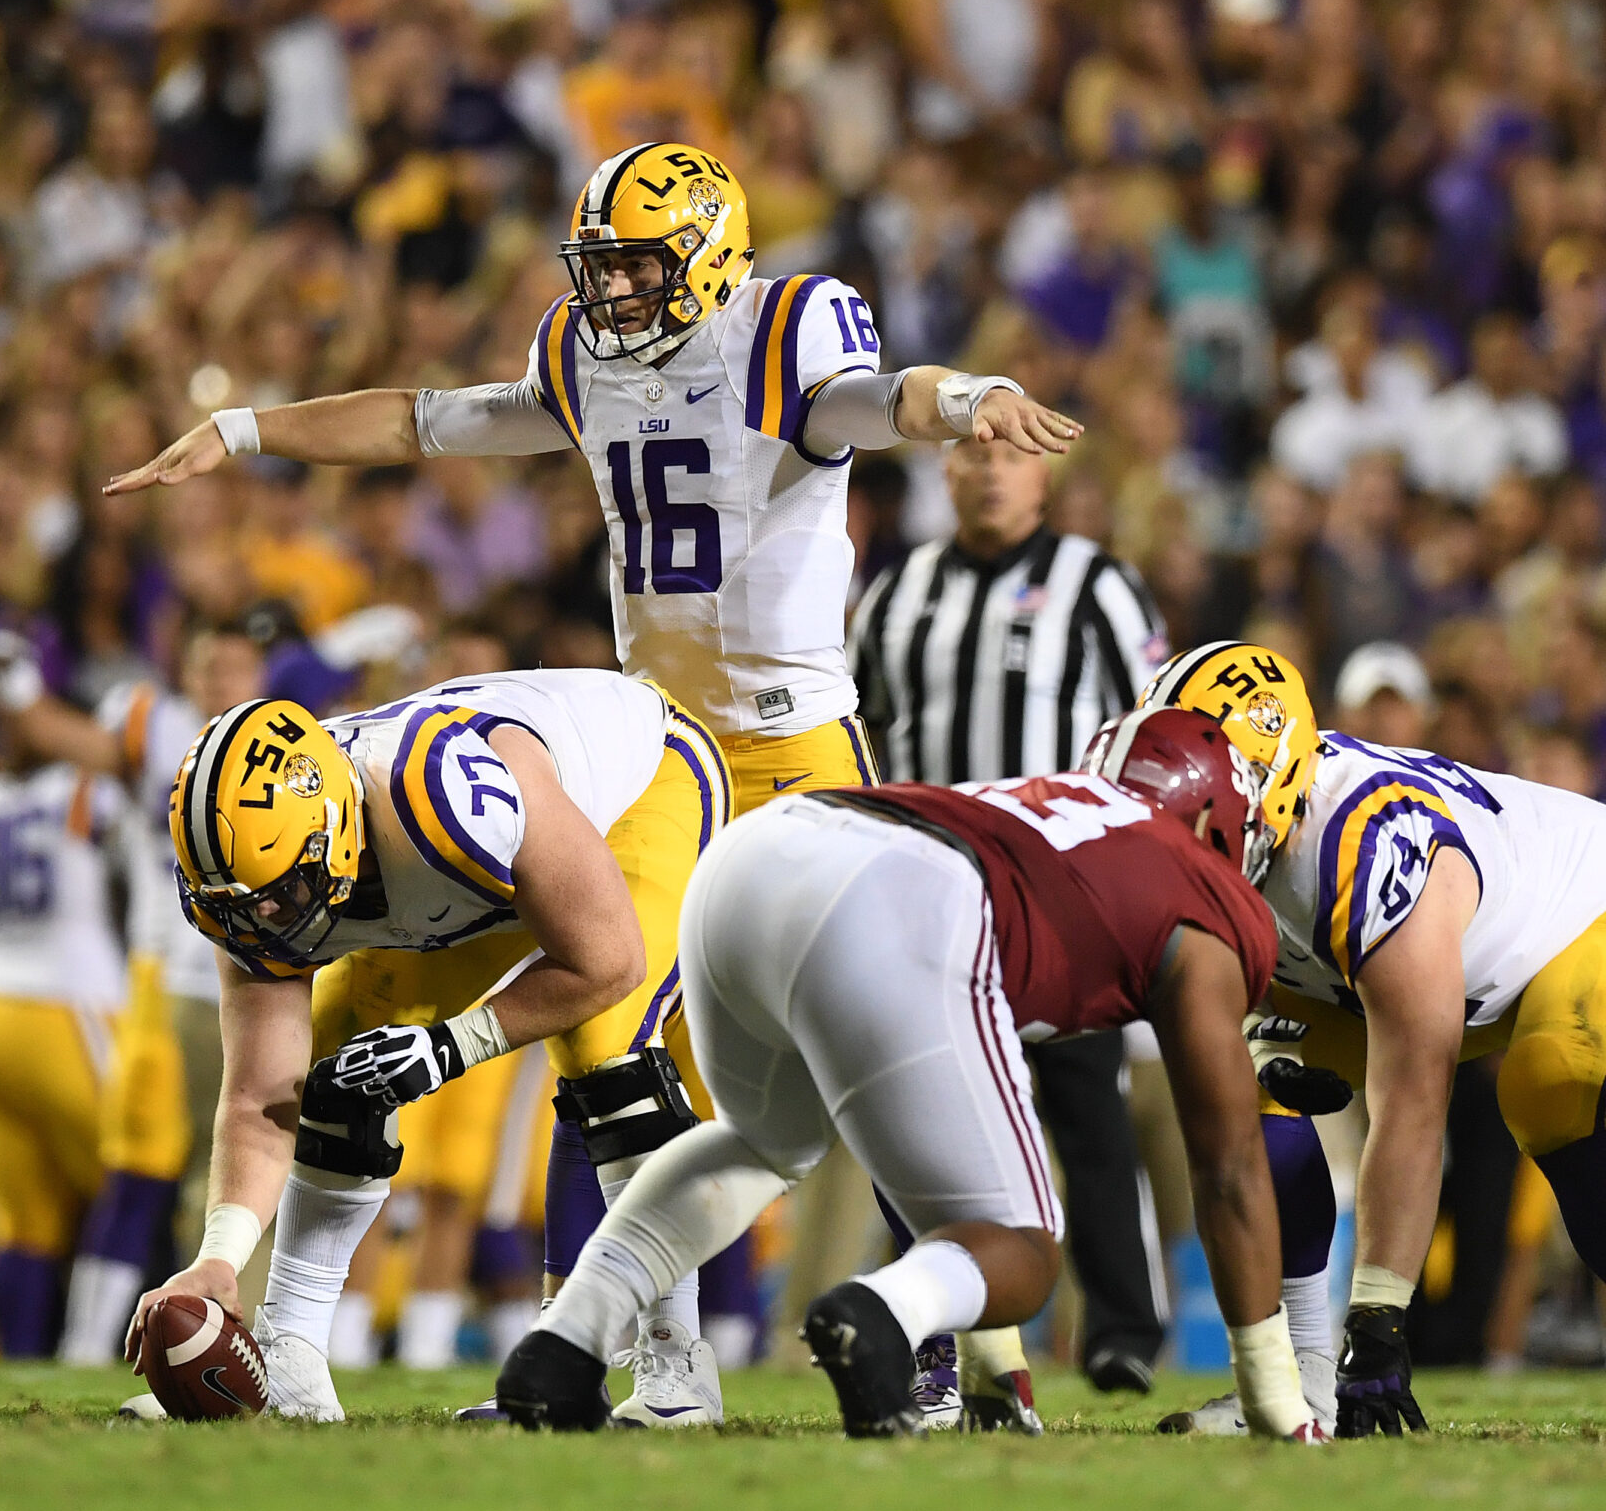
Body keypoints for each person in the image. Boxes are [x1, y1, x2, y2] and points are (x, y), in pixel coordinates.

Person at [107, 140, 1081, 1423]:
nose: (610, 290)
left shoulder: (780, 332)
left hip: (789, 745)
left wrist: (969, 400)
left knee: (868, 1038)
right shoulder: (582, 357)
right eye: (601, 264)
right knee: (617, 1056)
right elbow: (421, 419)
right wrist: (243, 431)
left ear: (710, 249)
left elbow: (884, 398)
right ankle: (603, 1364)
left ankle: (974, 1362)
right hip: (652, 735)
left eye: (634, 262)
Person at [496, 709, 1325, 1444]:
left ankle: (564, 1346)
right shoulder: (1206, 888)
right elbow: (1228, 1164)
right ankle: (878, 1317)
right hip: (906, 897)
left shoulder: (1046, 801)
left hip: (761, 851)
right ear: (1223, 820)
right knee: (1026, 1252)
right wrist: (1276, 1393)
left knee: (760, 1141)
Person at [123, 667, 730, 1424]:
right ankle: (293, 1357)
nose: (267, 918)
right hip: (474, 870)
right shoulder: (255, 884)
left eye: (281, 889)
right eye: (244, 902)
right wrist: (219, 1256)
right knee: (337, 1062)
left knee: (606, 1041)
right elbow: (259, 1096)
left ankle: (677, 1369)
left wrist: (450, 1046)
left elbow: (608, 961)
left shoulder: (446, 799)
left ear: (336, 829)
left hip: (644, 783)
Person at [1139, 641, 1606, 1437]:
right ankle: (1299, 1385)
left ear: (1273, 776)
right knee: (1240, 1084)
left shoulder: (1364, 840)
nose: (1190, 813)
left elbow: (1414, 1095)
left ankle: (1351, 1356)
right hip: (1435, 969)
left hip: (1574, 918)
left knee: (1545, 1081)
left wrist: (1380, 1327)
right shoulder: (1239, 838)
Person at [850, 430, 1171, 1409]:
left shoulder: (1099, 585)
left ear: (1043, 475)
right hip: (926, 882)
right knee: (916, 1107)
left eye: (1008, 455)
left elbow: (1153, 729)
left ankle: (1120, 1332)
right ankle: (938, 1336)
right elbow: (853, 724)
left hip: (1056, 887)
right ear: (945, 473)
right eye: (970, 454)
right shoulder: (894, 592)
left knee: (1086, 1105)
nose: (989, 469)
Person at [0, 619, 269, 1362]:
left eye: (235, 667)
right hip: (169, 980)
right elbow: (85, 746)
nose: (219, 682)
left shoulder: (289, 744)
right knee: (147, 1170)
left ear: (261, 675)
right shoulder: (158, 722)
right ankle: (94, 1347)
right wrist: (24, 699)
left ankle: (243, 1343)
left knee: (242, 1175)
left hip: (263, 982)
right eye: (207, 664)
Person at [0, 721, 128, 1360]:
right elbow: (133, 799)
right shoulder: (77, 788)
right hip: (71, 1004)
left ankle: (21, 1367)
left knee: (20, 1219)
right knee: (134, 1180)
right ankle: (99, 1350)